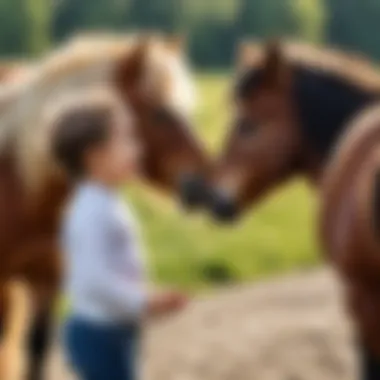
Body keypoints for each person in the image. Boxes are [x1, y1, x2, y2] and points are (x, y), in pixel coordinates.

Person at [51, 90, 188, 380]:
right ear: (95, 157)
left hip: (113, 331)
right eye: (126, 139)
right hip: (98, 335)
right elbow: (94, 280)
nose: (138, 149)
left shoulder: (105, 201)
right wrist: (142, 302)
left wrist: (144, 298)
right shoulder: (91, 211)